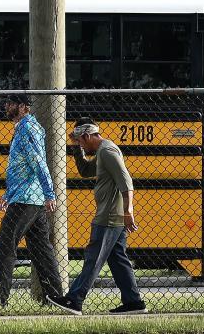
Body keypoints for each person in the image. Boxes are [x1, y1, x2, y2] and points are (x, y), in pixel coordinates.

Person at [0, 94, 67, 309]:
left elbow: (39, 163)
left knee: (4, 245)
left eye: (10, 103)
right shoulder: (25, 128)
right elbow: (23, 169)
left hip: (27, 199)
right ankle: (55, 298)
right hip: (28, 197)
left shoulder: (28, 129)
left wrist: (50, 193)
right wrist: (8, 193)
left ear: (22, 107)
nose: (6, 106)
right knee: (42, 251)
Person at [59, 119, 147, 315]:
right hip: (112, 214)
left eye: (81, 141)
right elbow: (85, 171)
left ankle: (74, 300)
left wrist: (128, 212)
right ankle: (133, 302)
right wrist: (76, 149)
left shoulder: (107, 151)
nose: (80, 144)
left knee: (94, 257)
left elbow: (126, 181)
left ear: (88, 136)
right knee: (118, 259)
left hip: (109, 216)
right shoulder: (101, 151)